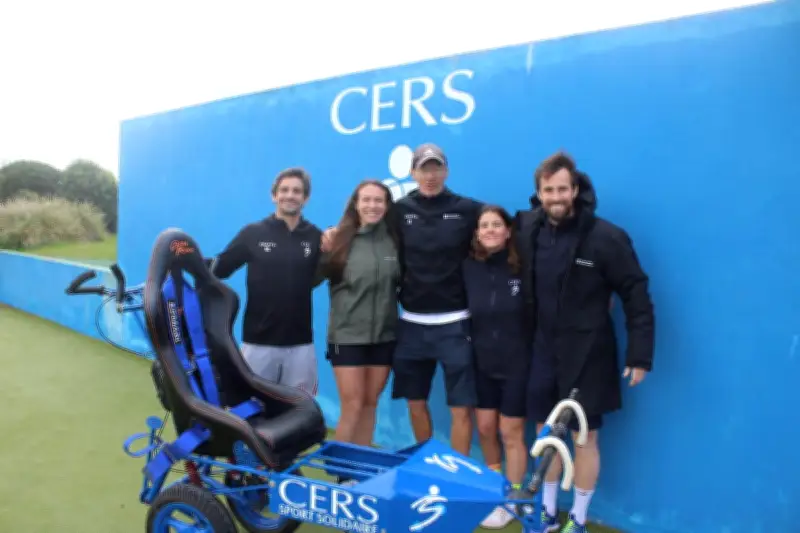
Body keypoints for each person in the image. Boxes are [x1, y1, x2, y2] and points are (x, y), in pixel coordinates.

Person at [516, 151, 655, 533]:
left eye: (563, 189)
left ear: (575, 190)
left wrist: (640, 354)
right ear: (538, 193)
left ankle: (576, 520)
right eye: (548, 190)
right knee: (546, 436)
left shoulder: (606, 237)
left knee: (584, 438)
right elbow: (482, 233)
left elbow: (635, 292)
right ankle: (545, 514)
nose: (556, 197)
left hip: (589, 354)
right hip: (542, 352)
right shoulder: (527, 229)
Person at [323, 143, 483, 456]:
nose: (431, 175)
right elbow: (362, 225)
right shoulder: (398, 211)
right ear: (413, 173)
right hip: (410, 325)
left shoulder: (469, 210)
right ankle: (421, 465)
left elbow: (499, 233)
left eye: (436, 167)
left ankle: (458, 477)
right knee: (413, 403)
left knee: (461, 409)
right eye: (424, 168)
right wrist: (333, 234)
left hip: (456, 323)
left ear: (446, 170)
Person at [211, 167, 324, 395]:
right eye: (284, 190)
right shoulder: (253, 233)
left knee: (298, 413)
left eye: (296, 191)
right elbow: (219, 268)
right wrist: (184, 256)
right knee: (251, 410)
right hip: (258, 343)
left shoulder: (315, 237)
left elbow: (326, 273)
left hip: (301, 345)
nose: (290, 195)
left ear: (306, 198)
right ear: (274, 196)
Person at [317, 179, 401, 452]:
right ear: (356, 203)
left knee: (369, 403)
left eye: (378, 200)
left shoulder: (394, 241)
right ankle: (340, 472)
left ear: (387, 205)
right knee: (352, 405)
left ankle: (361, 466)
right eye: (366, 200)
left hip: (384, 336)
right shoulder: (338, 238)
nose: (372, 206)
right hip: (347, 336)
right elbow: (309, 278)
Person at [462, 205, 531, 529]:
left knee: (510, 432)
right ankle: (495, 491)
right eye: (484, 225)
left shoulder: (523, 268)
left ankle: (515, 500)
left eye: (496, 225)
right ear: (477, 233)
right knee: (486, 429)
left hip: (518, 362)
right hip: (482, 362)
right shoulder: (469, 267)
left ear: (507, 231)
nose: (489, 230)